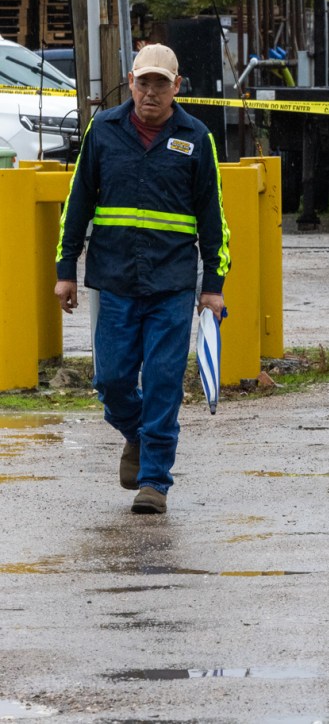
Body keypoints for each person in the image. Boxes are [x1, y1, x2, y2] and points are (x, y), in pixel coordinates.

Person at [54, 43, 230, 514]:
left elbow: (214, 220)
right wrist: (65, 270)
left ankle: (155, 480)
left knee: (163, 381)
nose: (150, 92)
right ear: (130, 82)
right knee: (110, 380)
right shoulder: (104, 130)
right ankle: (135, 434)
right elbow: (78, 203)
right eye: (143, 82)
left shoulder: (195, 138)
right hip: (113, 280)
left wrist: (212, 286)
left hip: (171, 285)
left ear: (177, 86)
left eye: (161, 83)